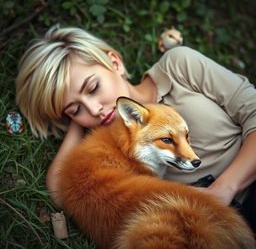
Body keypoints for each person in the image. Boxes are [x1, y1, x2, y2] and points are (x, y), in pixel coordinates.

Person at [16, 25, 256, 231]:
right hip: (220, 228)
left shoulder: (177, 67)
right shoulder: (109, 146)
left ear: (115, 63)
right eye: (75, 109)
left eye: (92, 88)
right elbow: (60, 191)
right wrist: (78, 124)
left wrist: (224, 189)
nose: (94, 109)